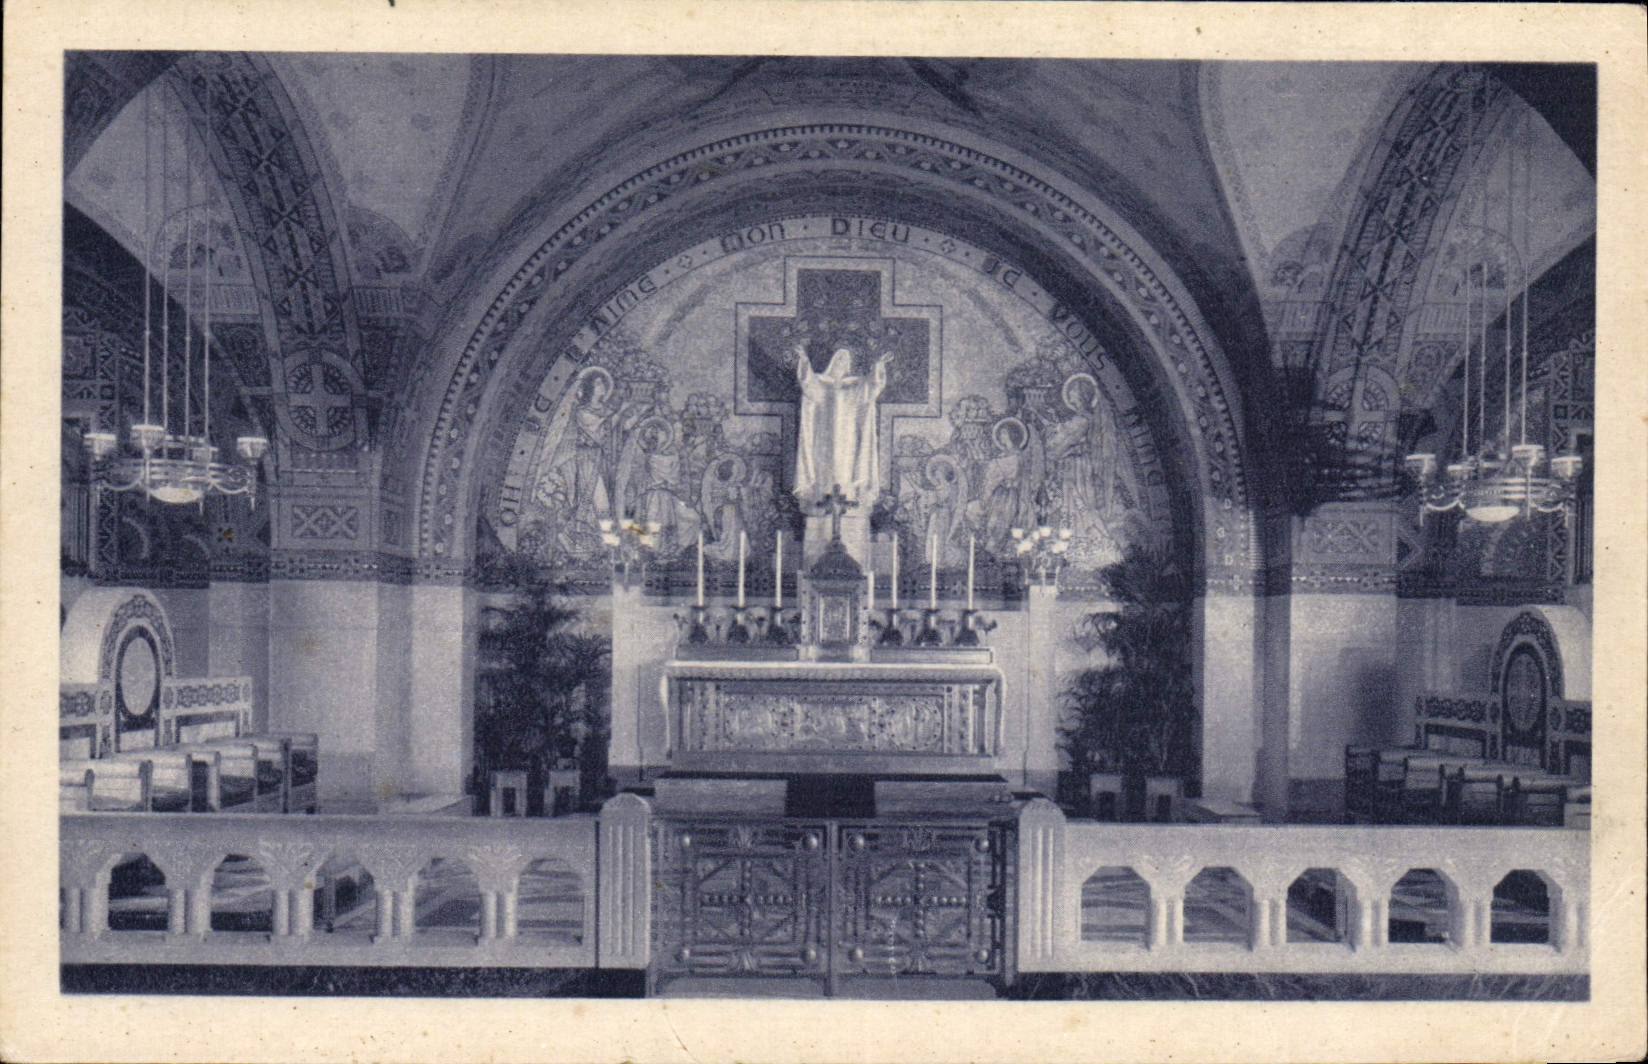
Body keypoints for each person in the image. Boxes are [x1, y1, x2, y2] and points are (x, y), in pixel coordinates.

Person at [793, 344, 891, 506]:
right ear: (832, 361)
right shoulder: (822, 383)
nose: (841, 363)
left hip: (847, 436)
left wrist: (879, 365)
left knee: (846, 466)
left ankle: (849, 497)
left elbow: (872, 387)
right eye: (838, 359)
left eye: (845, 360)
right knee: (823, 465)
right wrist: (804, 360)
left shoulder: (854, 385)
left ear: (848, 365)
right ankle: (820, 498)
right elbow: (808, 383)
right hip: (824, 434)